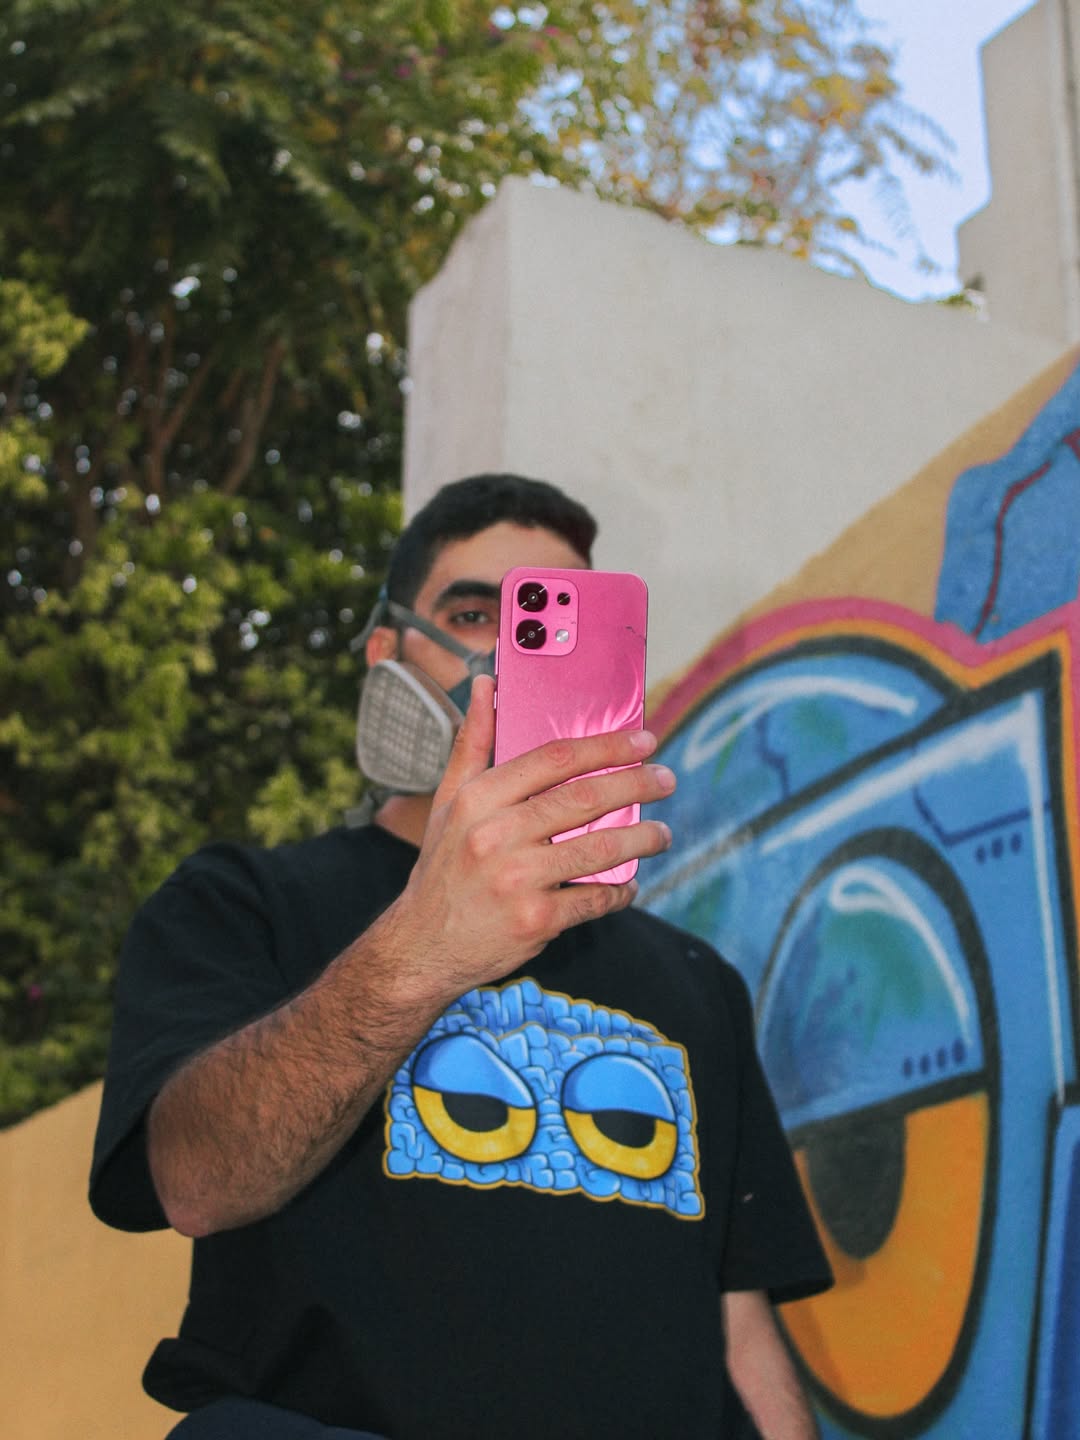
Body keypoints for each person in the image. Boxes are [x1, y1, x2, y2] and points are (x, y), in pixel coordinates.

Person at [90, 473, 831, 1439]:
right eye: (476, 613)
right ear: (387, 650)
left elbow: (739, 1324)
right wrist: (422, 949)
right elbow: (194, 1182)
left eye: (551, 623)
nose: (507, 657)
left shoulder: (697, 982)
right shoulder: (244, 902)